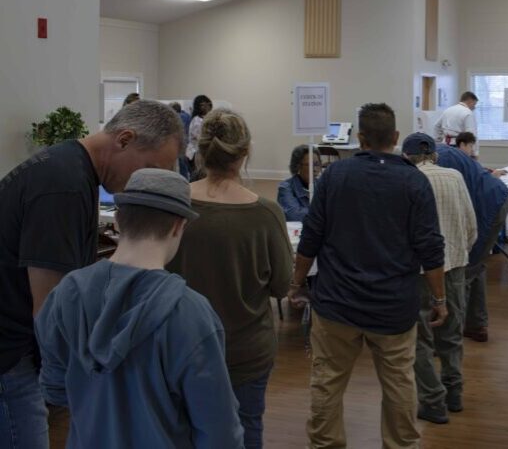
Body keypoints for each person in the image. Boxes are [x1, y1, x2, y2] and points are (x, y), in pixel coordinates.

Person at [0, 100, 183, 449]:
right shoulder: (64, 185)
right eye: (147, 169)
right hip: (9, 356)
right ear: (125, 139)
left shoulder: (69, 167)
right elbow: (50, 311)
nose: (142, 184)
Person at [35, 169, 244, 448]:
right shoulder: (190, 313)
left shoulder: (67, 293)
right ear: (177, 227)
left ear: (118, 220)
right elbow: (218, 429)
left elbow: (55, 388)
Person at [288, 103, 446, 449]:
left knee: (327, 383)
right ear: (395, 138)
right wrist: (439, 299)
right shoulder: (413, 181)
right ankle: (401, 444)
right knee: (400, 384)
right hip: (393, 307)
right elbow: (430, 248)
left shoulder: (334, 176)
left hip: (336, 305)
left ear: (359, 138)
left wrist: (297, 283)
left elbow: (310, 237)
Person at [167, 109, 294, 448]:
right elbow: (282, 285)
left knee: (184, 429)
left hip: (180, 345)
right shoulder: (266, 214)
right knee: (246, 426)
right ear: (245, 152)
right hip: (245, 349)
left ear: (201, 150)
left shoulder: (174, 203)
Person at [402, 132, 477, 425]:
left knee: (419, 337)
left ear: (407, 157)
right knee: (452, 332)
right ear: (434, 154)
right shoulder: (455, 176)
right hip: (454, 265)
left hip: (419, 270)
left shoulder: (407, 180)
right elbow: (471, 226)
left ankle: (432, 400)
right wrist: (458, 252)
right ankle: (454, 393)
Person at [434, 143, 508, 343]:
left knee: (463, 269)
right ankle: (476, 325)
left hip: (487, 206)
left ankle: (449, 335)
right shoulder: (445, 153)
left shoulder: (438, 162)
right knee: (475, 265)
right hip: (496, 200)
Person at [278, 145, 322, 221]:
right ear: (298, 166)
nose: (314, 169)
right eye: (309, 165)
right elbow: (295, 215)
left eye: (317, 164)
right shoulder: (285, 187)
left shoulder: (322, 185)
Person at [185, 94, 213, 172]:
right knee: (197, 175)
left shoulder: (209, 119)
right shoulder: (196, 120)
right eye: (202, 105)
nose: (206, 107)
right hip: (195, 153)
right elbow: (197, 137)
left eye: (208, 105)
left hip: (204, 152)